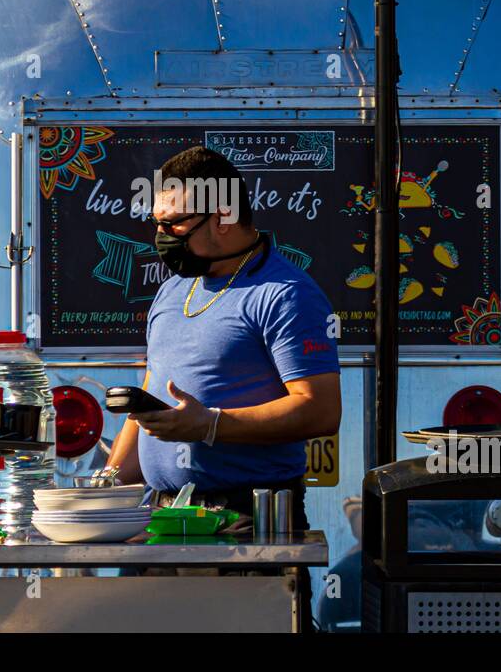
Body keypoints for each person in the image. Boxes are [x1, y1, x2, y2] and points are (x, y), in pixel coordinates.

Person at [108, 146, 342, 530]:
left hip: (247, 521)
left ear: (223, 217)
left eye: (175, 224)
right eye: (157, 223)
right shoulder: (171, 292)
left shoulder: (286, 294)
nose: (161, 236)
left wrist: (210, 425)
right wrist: (108, 487)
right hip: (162, 517)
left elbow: (321, 410)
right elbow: (149, 405)